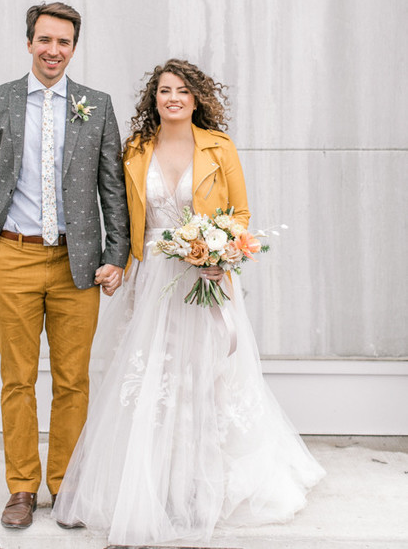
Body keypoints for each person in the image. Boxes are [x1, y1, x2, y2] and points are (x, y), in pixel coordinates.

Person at [53, 59, 325, 545]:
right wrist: (118, 260)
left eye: (182, 90)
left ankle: (203, 487)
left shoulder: (219, 147)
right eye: (163, 90)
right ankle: (154, 485)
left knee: (206, 378)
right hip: (152, 275)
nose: (172, 97)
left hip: (205, 276)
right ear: (153, 99)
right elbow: (118, 209)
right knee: (150, 378)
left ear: (197, 98)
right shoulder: (136, 149)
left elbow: (239, 212)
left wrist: (221, 250)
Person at [0, 2, 129, 529]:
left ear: (73, 48)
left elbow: (113, 189)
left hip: (76, 264)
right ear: (29, 42)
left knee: (72, 379)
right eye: (44, 40)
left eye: (63, 42)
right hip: (11, 257)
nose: (53, 50)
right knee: (17, 379)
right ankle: (21, 487)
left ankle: (66, 484)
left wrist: (115, 254)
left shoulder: (95, 106)